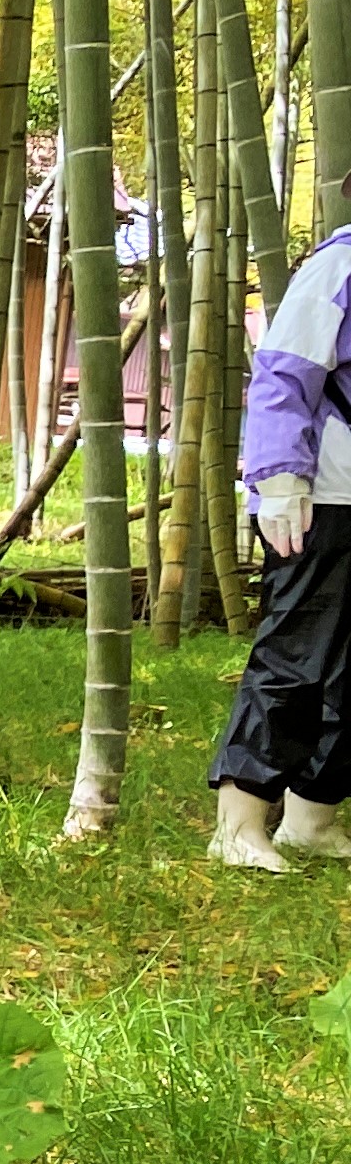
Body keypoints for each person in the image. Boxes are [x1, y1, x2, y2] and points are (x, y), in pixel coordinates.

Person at [216, 220, 351, 868]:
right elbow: (282, 375)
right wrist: (278, 479)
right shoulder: (339, 266)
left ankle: (312, 818)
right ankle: (239, 825)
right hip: (318, 494)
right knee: (297, 655)